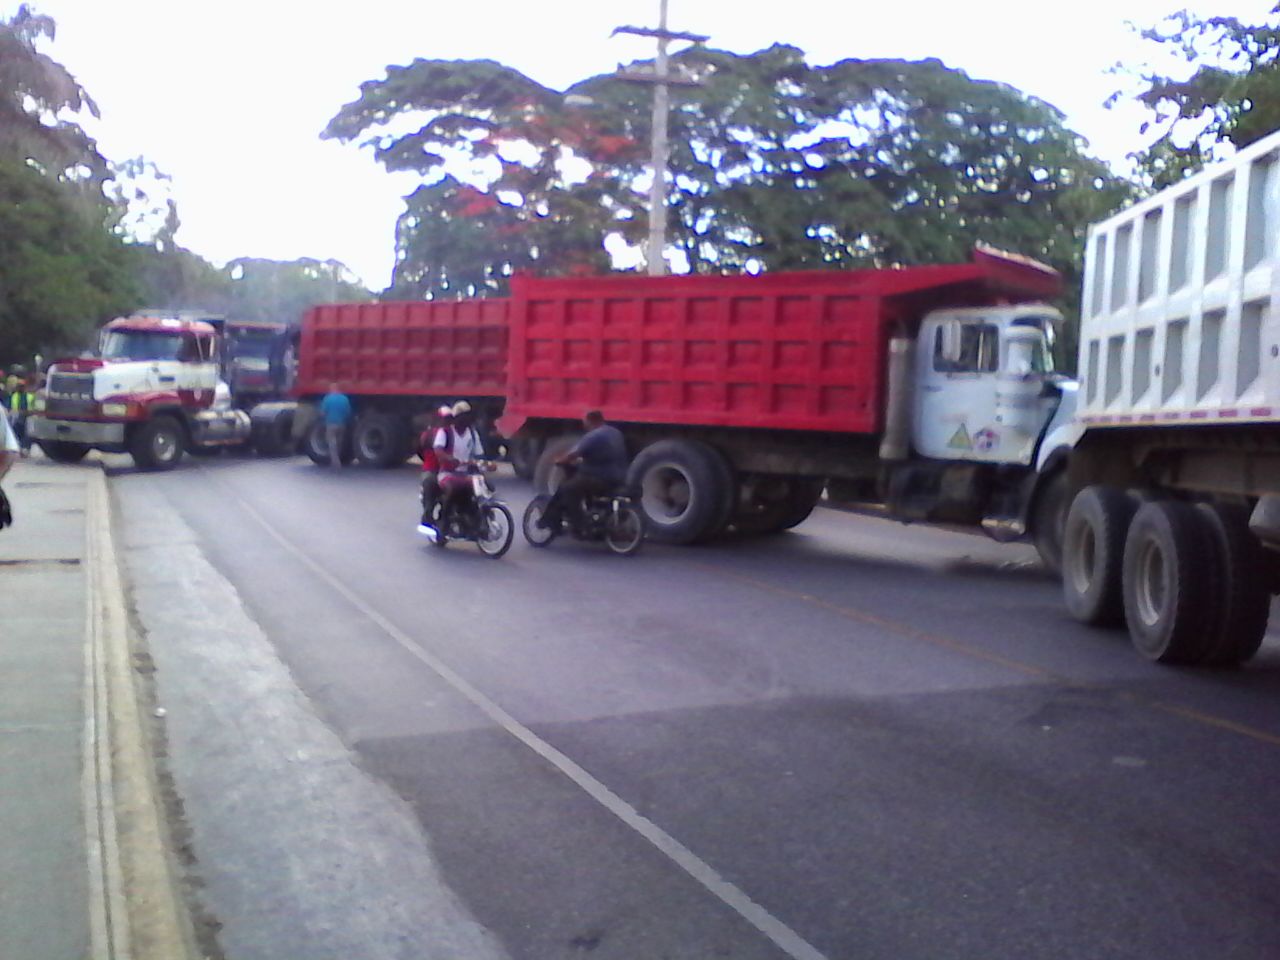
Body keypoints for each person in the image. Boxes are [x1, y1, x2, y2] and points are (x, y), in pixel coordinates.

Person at [539, 410, 628, 531]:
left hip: (600, 478)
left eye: (585, 421)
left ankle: (580, 525)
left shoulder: (593, 436)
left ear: (590, 421)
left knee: (568, 489)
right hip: (619, 477)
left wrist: (559, 461)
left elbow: (573, 454)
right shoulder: (615, 433)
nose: (584, 424)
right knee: (581, 485)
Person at [417, 405, 453, 529]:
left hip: (447, 470)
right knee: (430, 486)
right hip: (432, 470)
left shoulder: (450, 434)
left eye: (449, 419)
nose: (447, 421)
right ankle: (427, 517)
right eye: (445, 419)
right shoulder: (428, 435)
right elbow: (420, 451)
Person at [319, 382, 353, 469]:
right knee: (339, 443)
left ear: (331, 389)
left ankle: (335, 462)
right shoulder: (344, 399)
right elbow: (348, 412)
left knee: (331, 443)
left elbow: (322, 412)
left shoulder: (327, 398)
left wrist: (323, 418)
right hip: (342, 424)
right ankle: (339, 457)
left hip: (331, 423)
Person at [7, 378, 35, 457]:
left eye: (22, 386)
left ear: (24, 387)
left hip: (28, 417)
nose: (20, 388)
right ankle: (18, 449)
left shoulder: (30, 396)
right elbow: (9, 407)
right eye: (18, 386)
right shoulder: (13, 396)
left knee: (27, 434)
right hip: (16, 418)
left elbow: (34, 408)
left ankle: (26, 450)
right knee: (16, 433)